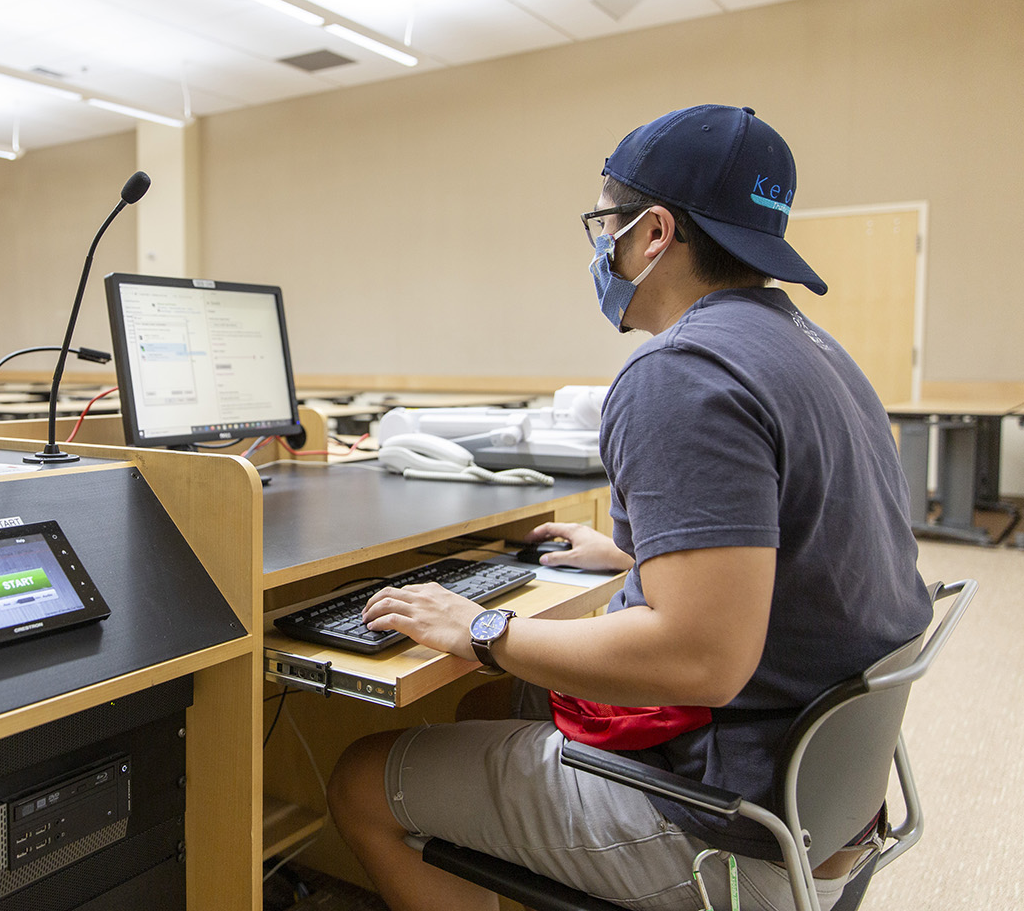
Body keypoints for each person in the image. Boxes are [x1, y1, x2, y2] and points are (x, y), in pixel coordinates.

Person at [326, 105, 934, 911]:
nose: (600, 248)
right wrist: (646, 556)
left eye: (604, 225)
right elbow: (811, 538)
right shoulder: (816, 350)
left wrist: (476, 626)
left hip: (723, 823)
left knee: (363, 778)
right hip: (825, 804)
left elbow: (699, 660)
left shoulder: (678, 372)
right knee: (485, 703)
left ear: (652, 233)